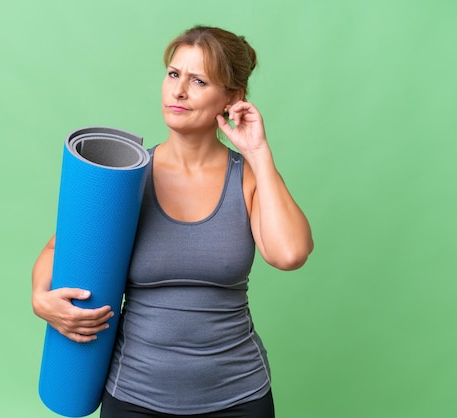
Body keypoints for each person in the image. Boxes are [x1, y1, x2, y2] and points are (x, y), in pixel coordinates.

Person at [32, 25, 314, 418]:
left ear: (232, 98)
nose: (178, 91)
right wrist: (41, 299)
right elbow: (58, 248)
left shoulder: (248, 178)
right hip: (134, 397)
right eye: (173, 74)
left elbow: (289, 253)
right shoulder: (127, 178)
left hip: (240, 397)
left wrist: (258, 153)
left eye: (198, 81)